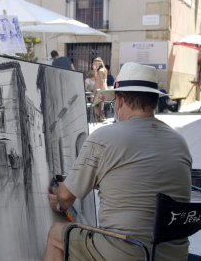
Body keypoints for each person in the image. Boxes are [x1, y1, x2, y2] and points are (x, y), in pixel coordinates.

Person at [43, 62, 192, 261]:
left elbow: (66, 196)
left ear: (120, 101)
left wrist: (60, 198)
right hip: (174, 253)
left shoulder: (104, 137)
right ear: (155, 101)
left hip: (127, 252)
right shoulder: (179, 140)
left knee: (56, 234)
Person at [92, 57, 108, 122]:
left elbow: (101, 81)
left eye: (96, 63)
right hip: (101, 89)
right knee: (99, 104)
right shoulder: (104, 69)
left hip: (100, 89)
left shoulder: (101, 71)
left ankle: (100, 117)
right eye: (94, 63)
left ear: (100, 63)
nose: (95, 64)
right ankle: (100, 117)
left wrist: (99, 90)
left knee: (96, 104)